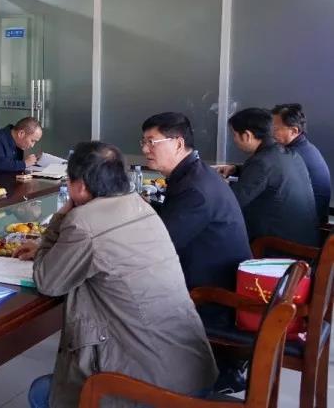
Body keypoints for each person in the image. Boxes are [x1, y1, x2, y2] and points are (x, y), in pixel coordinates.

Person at [16, 141, 217, 408]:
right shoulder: (141, 206)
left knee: (42, 393)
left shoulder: (83, 221)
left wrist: (60, 218)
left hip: (156, 389)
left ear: (80, 186)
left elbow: (48, 281)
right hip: (193, 370)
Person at [140, 112, 251, 291]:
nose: (145, 149)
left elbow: (160, 246)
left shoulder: (195, 189)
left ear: (178, 144)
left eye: (152, 142)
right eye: (144, 142)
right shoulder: (193, 173)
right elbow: (175, 215)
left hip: (211, 292)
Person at [218, 108, 319, 247]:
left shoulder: (261, 162)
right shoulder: (288, 153)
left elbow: (231, 203)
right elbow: (269, 175)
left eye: (234, 135)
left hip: (279, 247)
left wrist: (218, 184)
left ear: (247, 135)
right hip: (304, 240)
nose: (234, 140)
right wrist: (236, 169)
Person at [271, 103, 331, 225]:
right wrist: (237, 168)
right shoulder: (303, 147)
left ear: (294, 131)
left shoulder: (293, 155)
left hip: (307, 225)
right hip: (308, 219)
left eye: (275, 129)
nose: (271, 133)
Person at [0, 117, 42, 181]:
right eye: (32, 141)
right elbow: (0, 164)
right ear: (21, 133)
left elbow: (14, 167)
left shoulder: (17, 143)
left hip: (8, 182)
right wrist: (25, 163)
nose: (32, 145)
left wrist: (33, 162)